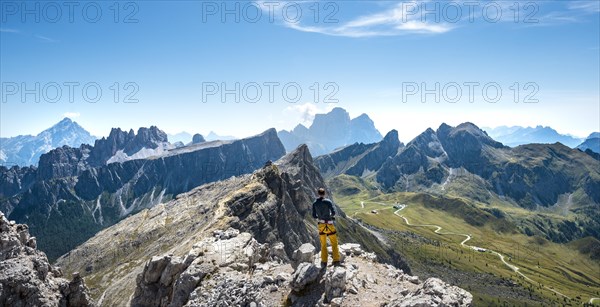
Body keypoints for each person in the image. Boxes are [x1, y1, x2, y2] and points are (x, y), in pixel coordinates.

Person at [312, 187, 341, 268]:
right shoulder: (328, 202)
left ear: (318, 194)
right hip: (329, 224)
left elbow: (314, 215)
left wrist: (320, 217)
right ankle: (336, 260)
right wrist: (330, 216)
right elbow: (333, 212)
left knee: (323, 244)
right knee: (334, 243)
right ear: (324, 193)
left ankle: (324, 261)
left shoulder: (315, 203)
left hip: (321, 225)